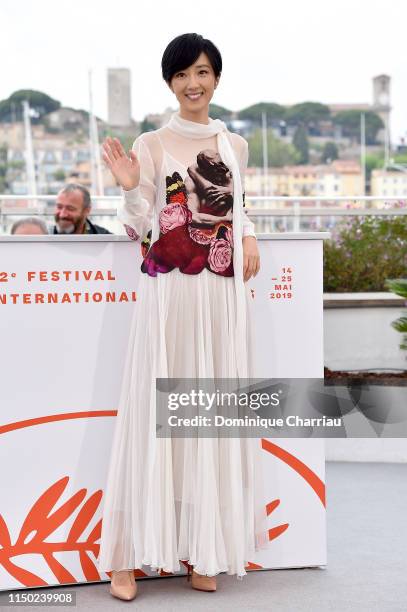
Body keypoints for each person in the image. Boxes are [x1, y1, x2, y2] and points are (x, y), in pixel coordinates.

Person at [97, 33, 269, 601]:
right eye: (181, 75)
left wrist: (248, 236)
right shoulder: (150, 143)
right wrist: (128, 191)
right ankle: (125, 556)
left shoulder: (235, 144)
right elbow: (142, 221)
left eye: (202, 72)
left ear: (216, 77)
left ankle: (204, 548)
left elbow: (239, 209)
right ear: (170, 83)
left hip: (220, 298)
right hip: (170, 290)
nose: (193, 84)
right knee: (155, 411)